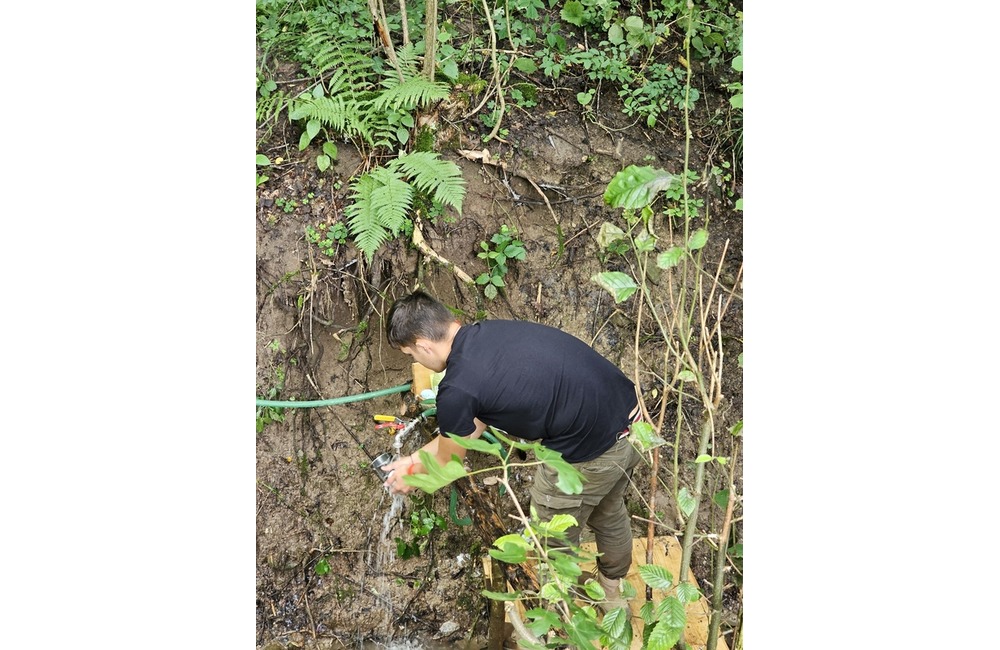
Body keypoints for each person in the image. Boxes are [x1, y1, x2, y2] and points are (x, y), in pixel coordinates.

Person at [381, 290, 642, 612]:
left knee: (552, 533)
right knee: (608, 512)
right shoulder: (490, 333)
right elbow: (471, 428)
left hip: (588, 454)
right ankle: (612, 593)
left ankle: (563, 618)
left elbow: (451, 463)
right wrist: (414, 460)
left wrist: (414, 480)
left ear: (423, 344)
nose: (416, 361)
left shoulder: (458, 387)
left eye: (411, 354)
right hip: (634, 423)